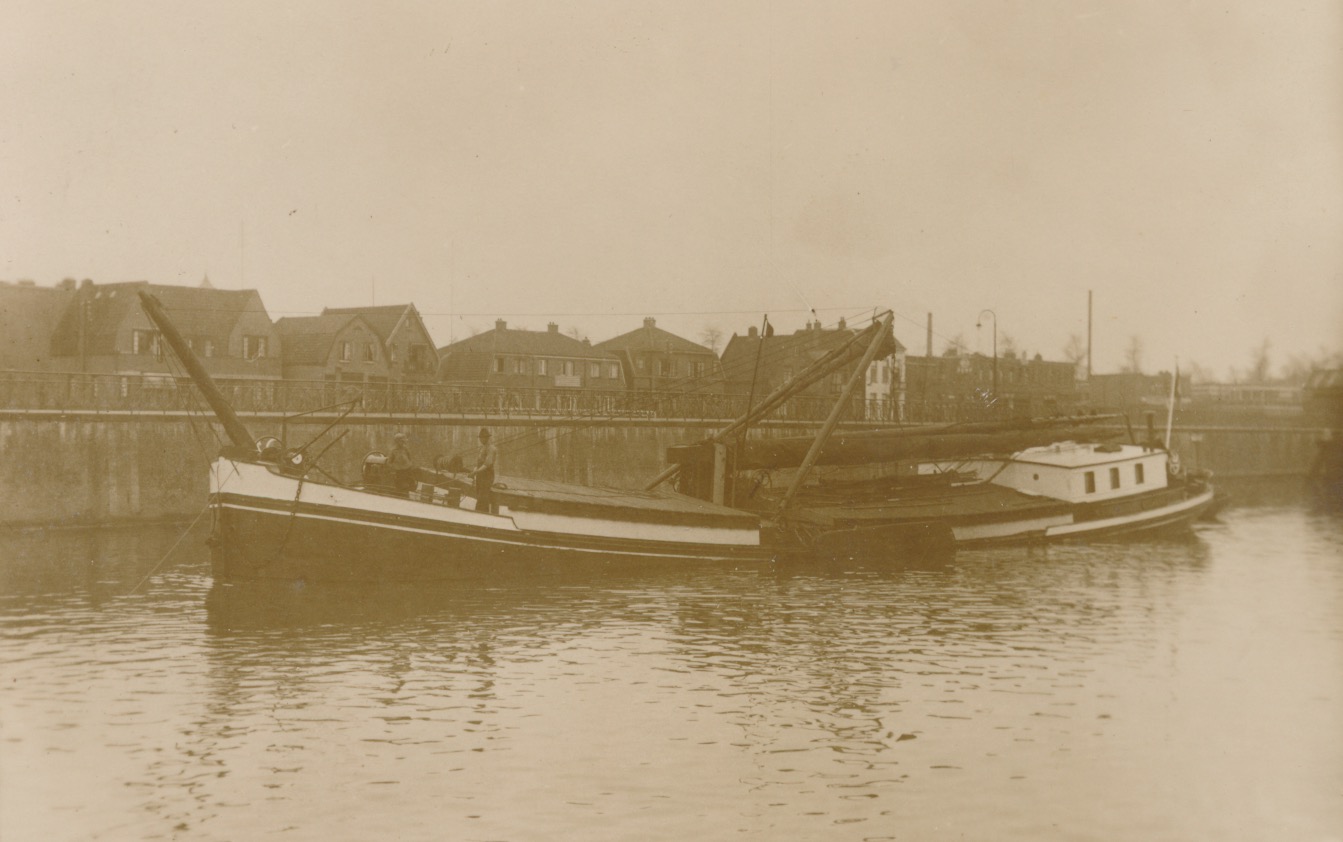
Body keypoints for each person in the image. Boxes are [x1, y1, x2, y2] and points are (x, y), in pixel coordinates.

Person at [470, 427, 498, 513]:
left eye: (482, 438)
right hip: (480, 476)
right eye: (480, 438)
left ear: (487, 438)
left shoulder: (492, 449)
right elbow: (478, 463)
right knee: (479, 496)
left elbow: (487, 464)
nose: (480, 440)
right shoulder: (481, 448)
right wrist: (474, 471)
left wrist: (475, 472)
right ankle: (481, 514)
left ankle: (481, 515)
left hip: (487, 477)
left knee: (482, 498)